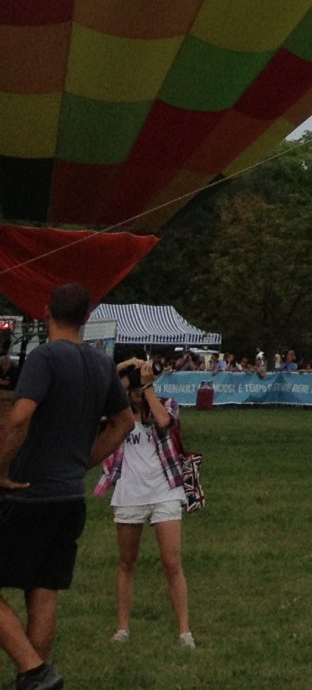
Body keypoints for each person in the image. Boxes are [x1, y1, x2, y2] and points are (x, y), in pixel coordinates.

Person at [0, 283, 135, 690]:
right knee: (44, 589)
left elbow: (21, 417)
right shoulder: (99, 364)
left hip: (28, 490)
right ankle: (38, 680)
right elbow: (124, 421)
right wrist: (85, 460)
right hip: (69, 495)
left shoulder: (44, 358)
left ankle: (33, 670)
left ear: (46, 312)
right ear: (87, 318)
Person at [98, 357, 194, 648]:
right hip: (130, 493)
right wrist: (122, 369)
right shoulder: (118, 414)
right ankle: (123, 628)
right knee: (127, 562)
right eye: (134, 387)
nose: (137, 391)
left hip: (164, 490)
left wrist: (148, 385)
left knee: (171, 563)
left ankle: (184, 631)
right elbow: (98, 398)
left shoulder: (167, 403)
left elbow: (164, 422)